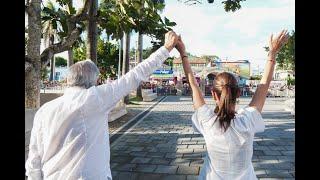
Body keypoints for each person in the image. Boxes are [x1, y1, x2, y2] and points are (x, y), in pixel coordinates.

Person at [25, 31, 179, 180]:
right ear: (94, 81)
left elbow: (34, 158)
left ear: (68, 80)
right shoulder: (94, 98)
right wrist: (166, 48)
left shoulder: (44, 110)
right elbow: (135, 75)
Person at [175, 30, 289, 180]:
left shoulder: (207, 122)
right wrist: (272, 54)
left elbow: (193, 84)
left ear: (214, 94)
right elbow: (264, 85)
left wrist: (183, 52)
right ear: (239, 93)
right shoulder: (248, 120)